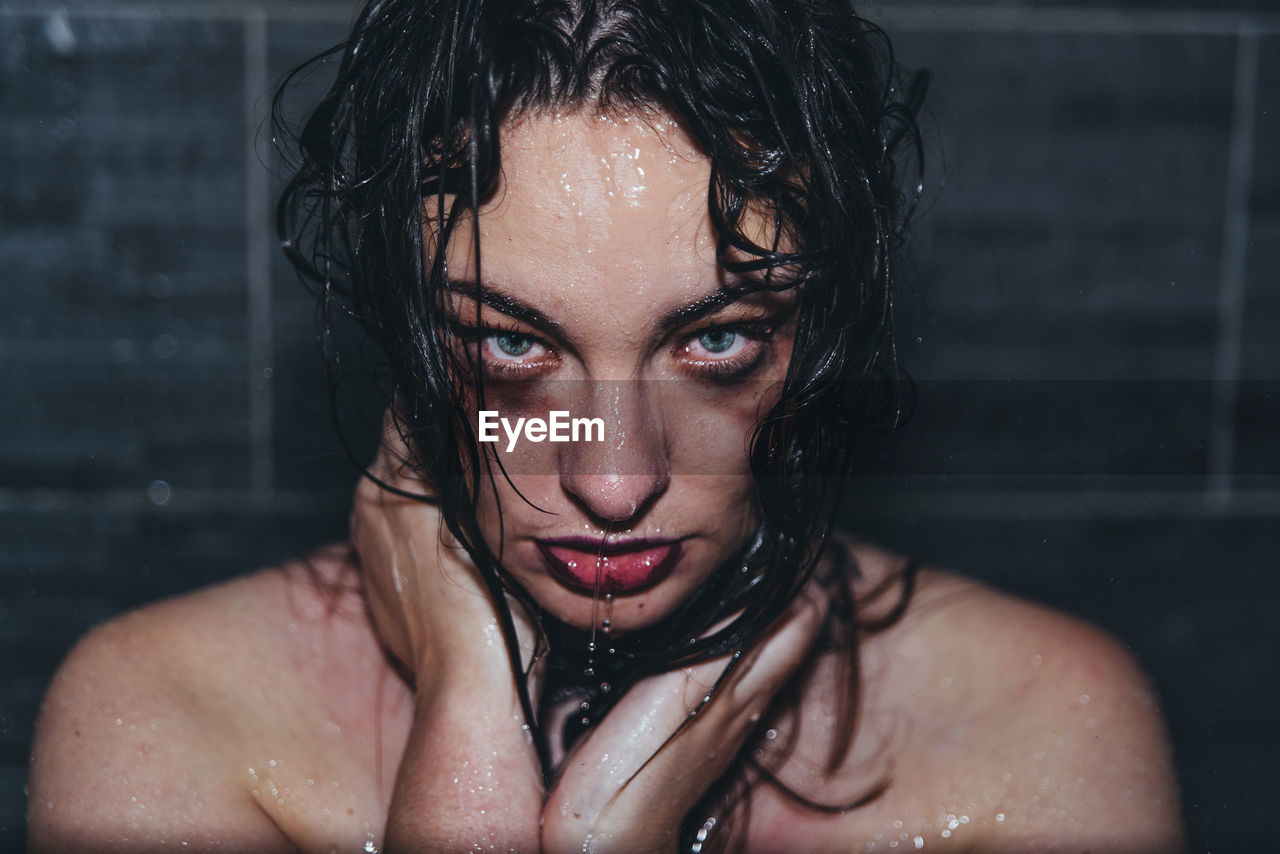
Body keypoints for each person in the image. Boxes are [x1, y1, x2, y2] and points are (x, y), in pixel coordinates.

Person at [27, 0, 1187, 851]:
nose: (615, 479)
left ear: (820, 330)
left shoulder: (1036, 723)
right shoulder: (169, 712)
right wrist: (465, 709)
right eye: (509, 344)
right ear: (407, 336)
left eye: (718, 341)